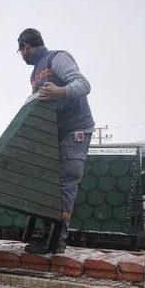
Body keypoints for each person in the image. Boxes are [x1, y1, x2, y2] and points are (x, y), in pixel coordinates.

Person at [17, 28, 95, 254]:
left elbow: (84, 85)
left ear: (26, 46)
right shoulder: (34, 75)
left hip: (75, 129)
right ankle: (48, 236)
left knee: (65, 182)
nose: (22, 56)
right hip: (55, 132)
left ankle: (57, 240)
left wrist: (60, 91)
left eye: (21, 51)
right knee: (47, 181)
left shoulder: (57, 58)